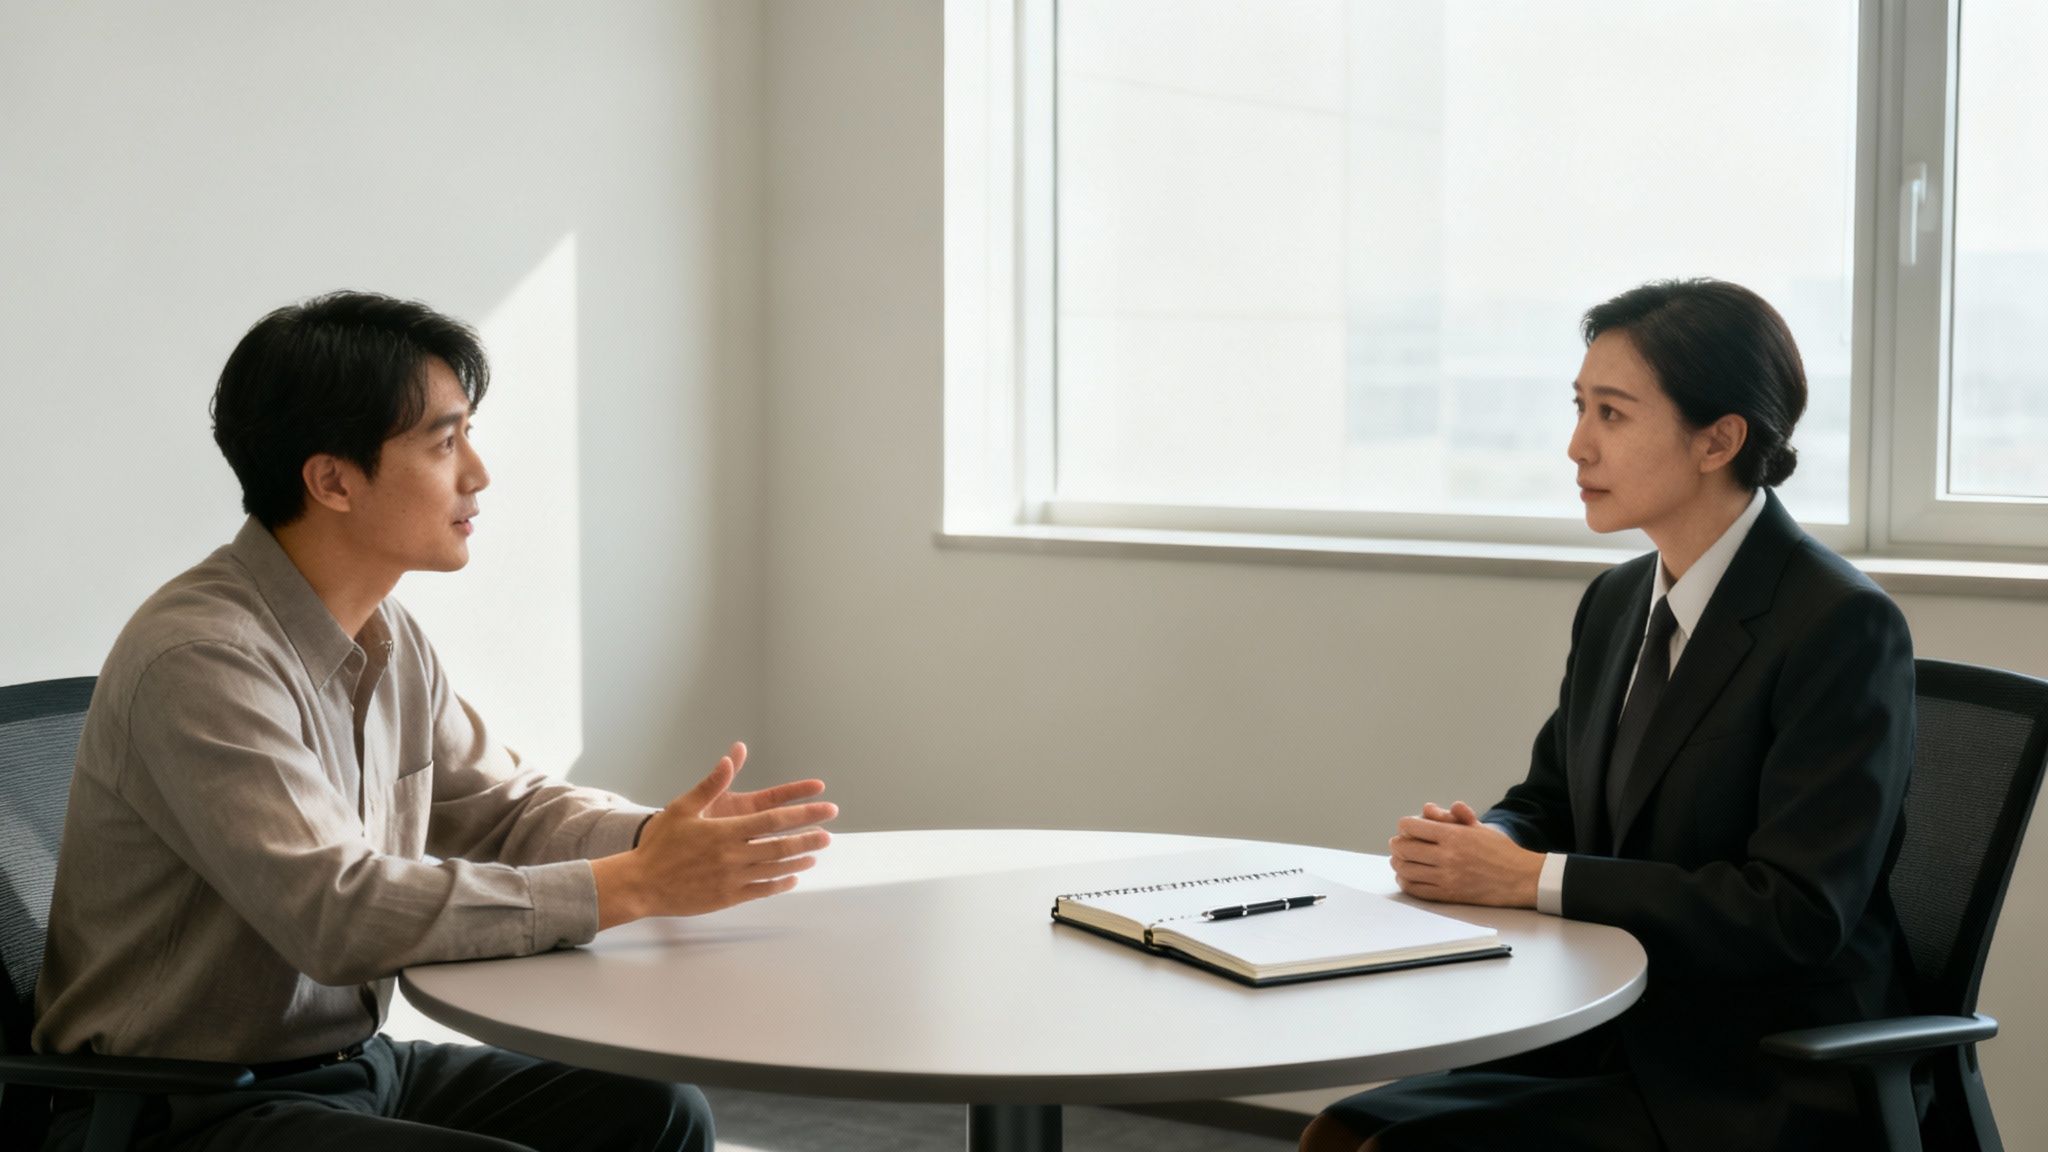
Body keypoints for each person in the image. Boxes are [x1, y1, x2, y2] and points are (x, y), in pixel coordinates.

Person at [33, 291, 839, 1151]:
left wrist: (655, 839)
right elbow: (336, 915)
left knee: (658, 1113)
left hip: (348, 1066)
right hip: (175, 1108)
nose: (478, 473)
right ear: (332, 479)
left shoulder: (386, 634)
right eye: (445, 441)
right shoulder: (201, 656)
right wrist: (632, 886)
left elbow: (505, 808)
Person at [1301, 280, 1916, 1152]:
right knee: (1345, 1130)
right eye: (1580, 407)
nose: (1577, 446)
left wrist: (1528, 880)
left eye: (1613, 415)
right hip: (1607, 1024)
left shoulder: (1840, 624)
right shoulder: (1619, 600)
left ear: (1719, 439)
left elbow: (1795, 912)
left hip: (1755, 1069)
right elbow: (1553, 798)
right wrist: (1492, 843)